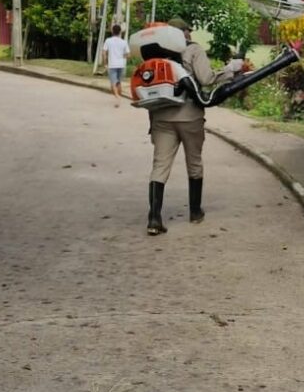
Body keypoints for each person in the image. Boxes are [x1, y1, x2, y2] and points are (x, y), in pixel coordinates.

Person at [146, 18, 244, 236]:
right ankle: (195, 212)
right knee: (194, 162)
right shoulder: (193, 49)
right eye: (187, 31)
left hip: (161, 115)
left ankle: (154, 218)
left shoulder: (155, 50)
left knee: (159, 166)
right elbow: (206, 79)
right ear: (183, 32)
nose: (189, 35)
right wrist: (230, 71)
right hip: (190, 115)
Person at [102, 24, 130, 107]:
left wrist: (105, 63)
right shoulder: (124, 42)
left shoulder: (108, 40)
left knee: (113, 84)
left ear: (112, 31)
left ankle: (117, 97)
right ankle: (119, 98)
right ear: (120, 32)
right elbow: (128, 55)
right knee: (118, 82)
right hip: (121, 64)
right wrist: (122, 56)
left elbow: (104, 53)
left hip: (112, 65)